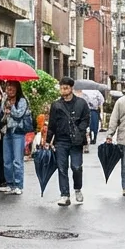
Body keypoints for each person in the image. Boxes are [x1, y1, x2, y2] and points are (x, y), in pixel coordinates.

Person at [46, 76, 90, 207]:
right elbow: (52, 124)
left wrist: (80, 131)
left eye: (66, 88)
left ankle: (77, 188)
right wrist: (48, 140)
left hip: (76, 141)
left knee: (76, 167)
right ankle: (64, 195)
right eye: (61, 88)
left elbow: (86, 118)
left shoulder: (81, 103)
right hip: (61, 141)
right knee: (62, 168)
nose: (63, 90)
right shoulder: (56, 105)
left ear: (71, 88)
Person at [0, 81, 31, 195]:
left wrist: (11, 108)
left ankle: (18, 184)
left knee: (17, 160)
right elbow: (1, 114)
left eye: (12, 87)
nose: (10, 89)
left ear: (17, 88)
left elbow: (19, 114)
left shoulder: (22, 100)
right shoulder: (5, 99)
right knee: (7, 160)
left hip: (18, 132)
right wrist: (4, 107)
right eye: (8, 87)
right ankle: (9, 183)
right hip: (7, 131)